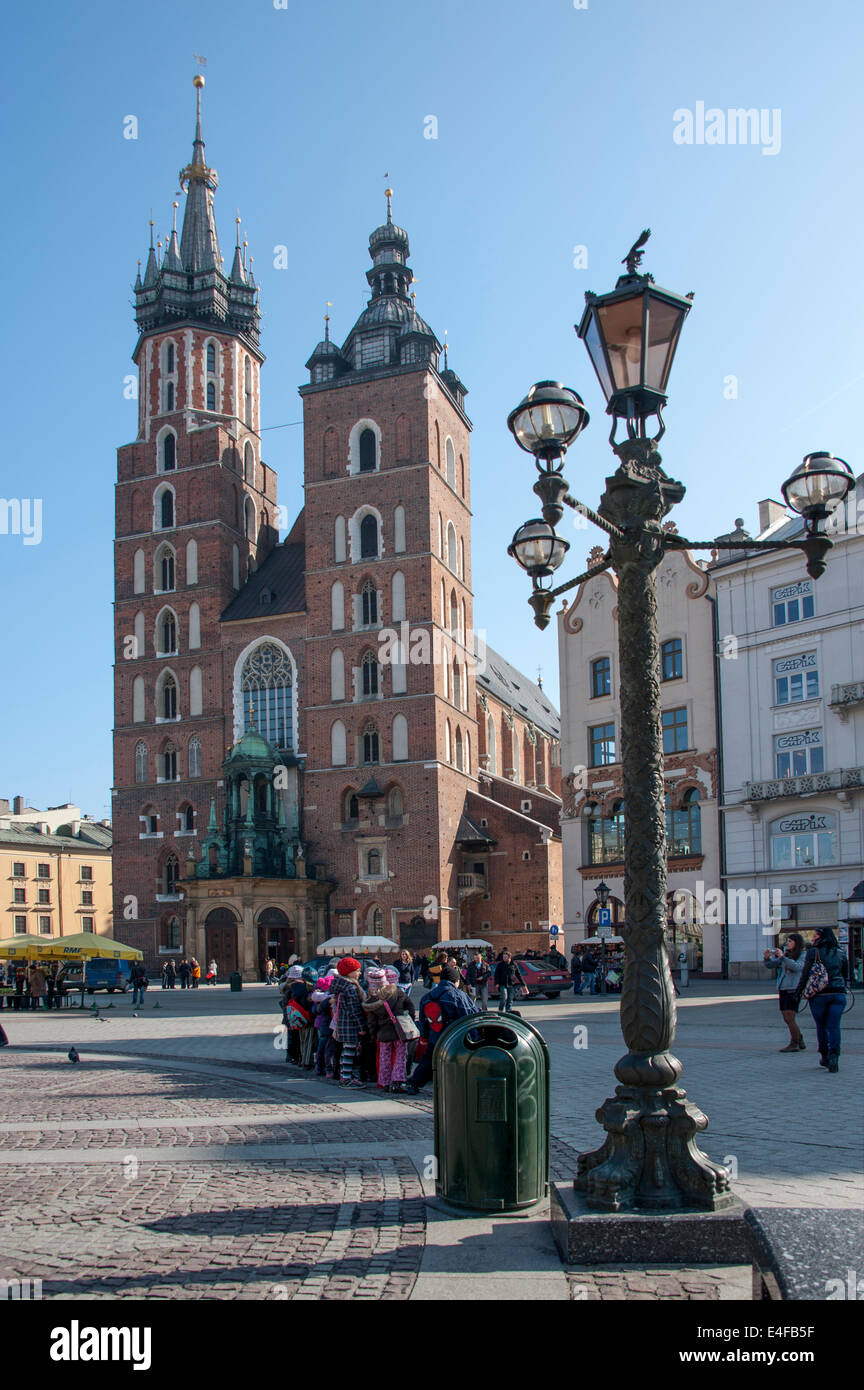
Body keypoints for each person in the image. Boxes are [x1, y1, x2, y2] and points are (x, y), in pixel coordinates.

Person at [406, 965, 481, 1092]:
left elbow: (423, 1022)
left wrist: (425, 1037)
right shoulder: (458, 995)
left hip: (435, 1037)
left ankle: (414, 1084)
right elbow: (469, 1016)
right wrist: (475, 1037)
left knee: (428, 1061)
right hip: (456, 1038)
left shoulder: (427, 997)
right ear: (455, 981)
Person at [796, 927, 849, 1072]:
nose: (813, 938)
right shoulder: (840, 952)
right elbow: (846, 975)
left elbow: (805, 975)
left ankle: (825, 1056)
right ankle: (834, 1057)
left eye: (815, 935)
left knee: (821, 1026)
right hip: (838, 994)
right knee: (834, 1026)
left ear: (822, 937)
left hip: (819, 995)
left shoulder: (813, 952)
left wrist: (798, 993)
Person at [362, 966, 417, 1090]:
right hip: (399, 1031)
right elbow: (411, 1008)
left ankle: (384, 1081)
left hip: (383, 1032)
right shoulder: (399, 993)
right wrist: (409, 1020)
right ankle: (398, 1080)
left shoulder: (377, 997)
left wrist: (374, 1033)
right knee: (400, 1057)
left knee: (384, 1057)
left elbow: (372, 1020)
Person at [763, 932, 806, 1051]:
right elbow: (772, 964)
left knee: (789, 1017)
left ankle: (795, 1043)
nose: (787, 943)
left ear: (797, 943)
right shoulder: (787, 954)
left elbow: (797, 967)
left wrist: (783, 957)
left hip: (794, 988)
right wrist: (767, 958)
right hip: (783, 988)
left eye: (790, 941)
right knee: (786, 1017)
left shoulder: (803, 954)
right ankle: (799, 1039)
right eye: (787, 941)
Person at [330, 957, 368, 1088]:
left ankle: (345, 1076)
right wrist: (361, 1027)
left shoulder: (340, 985)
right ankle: (346, 1079)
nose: (359, 973)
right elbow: (354, 1010)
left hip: (342, 1023)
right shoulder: (350, 988)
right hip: (350, 1025)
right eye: (357, 971)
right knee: (349, 1051)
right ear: (349, 972)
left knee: (346, 1050)